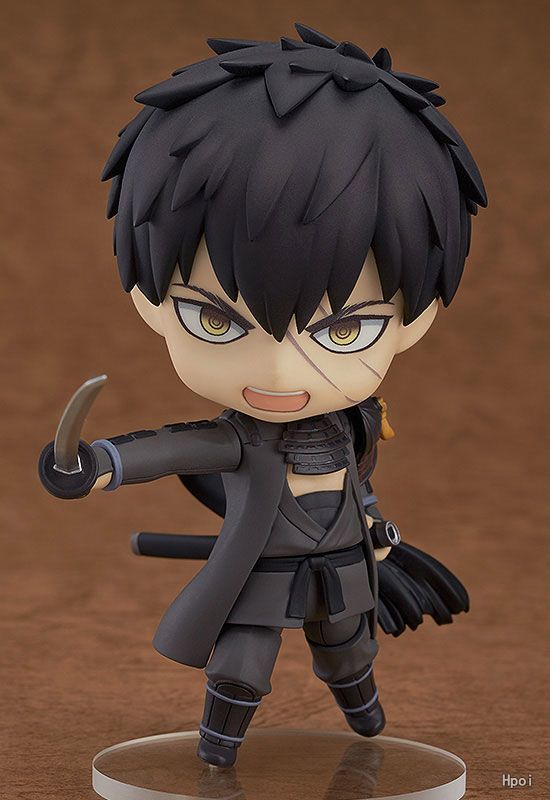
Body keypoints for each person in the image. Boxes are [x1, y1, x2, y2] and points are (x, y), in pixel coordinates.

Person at [39, 23, 485, 767]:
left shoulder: (357, 423)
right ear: (150, 302)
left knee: (349, 653)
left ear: (415, 319)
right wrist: (96, 465)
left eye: (343, 329)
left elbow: (358, 482)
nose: (279, 373)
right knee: (242, 661)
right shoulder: (240, 437)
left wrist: (375, 527)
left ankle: (365, 716)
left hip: (345, 569)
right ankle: (219, 749)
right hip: (260, 575)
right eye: (216, 321)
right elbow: (167, 449)